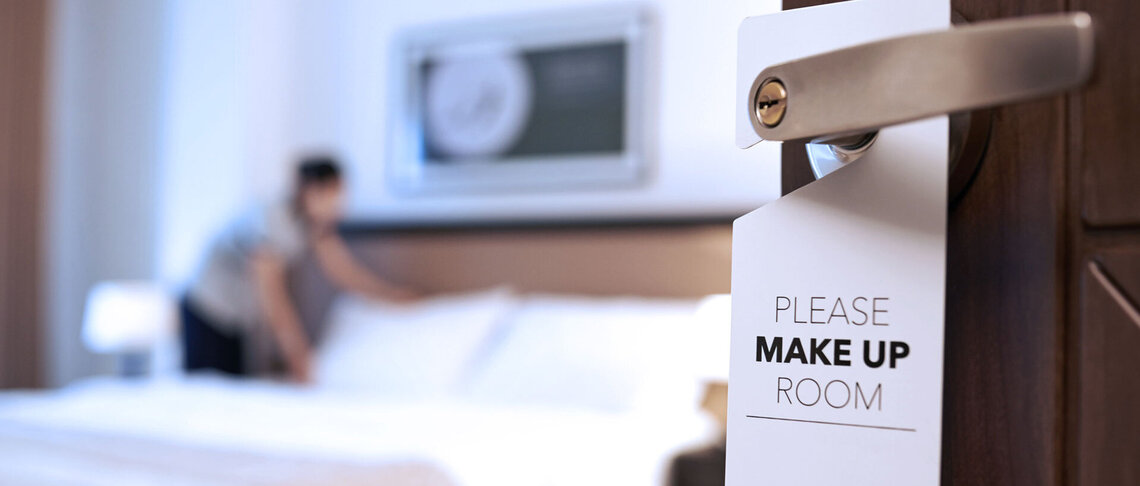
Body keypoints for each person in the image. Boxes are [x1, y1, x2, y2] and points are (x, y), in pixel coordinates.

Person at [180, 156, 417, 382]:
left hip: (237, 317)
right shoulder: (272, 220)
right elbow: (271, 294)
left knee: (230, 389)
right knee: (206, 387)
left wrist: (391, 296)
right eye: (333, 194)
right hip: (206, 307)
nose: (339, 205)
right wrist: (297, 353)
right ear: (310, 190)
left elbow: (343, 272)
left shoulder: (315, 225)